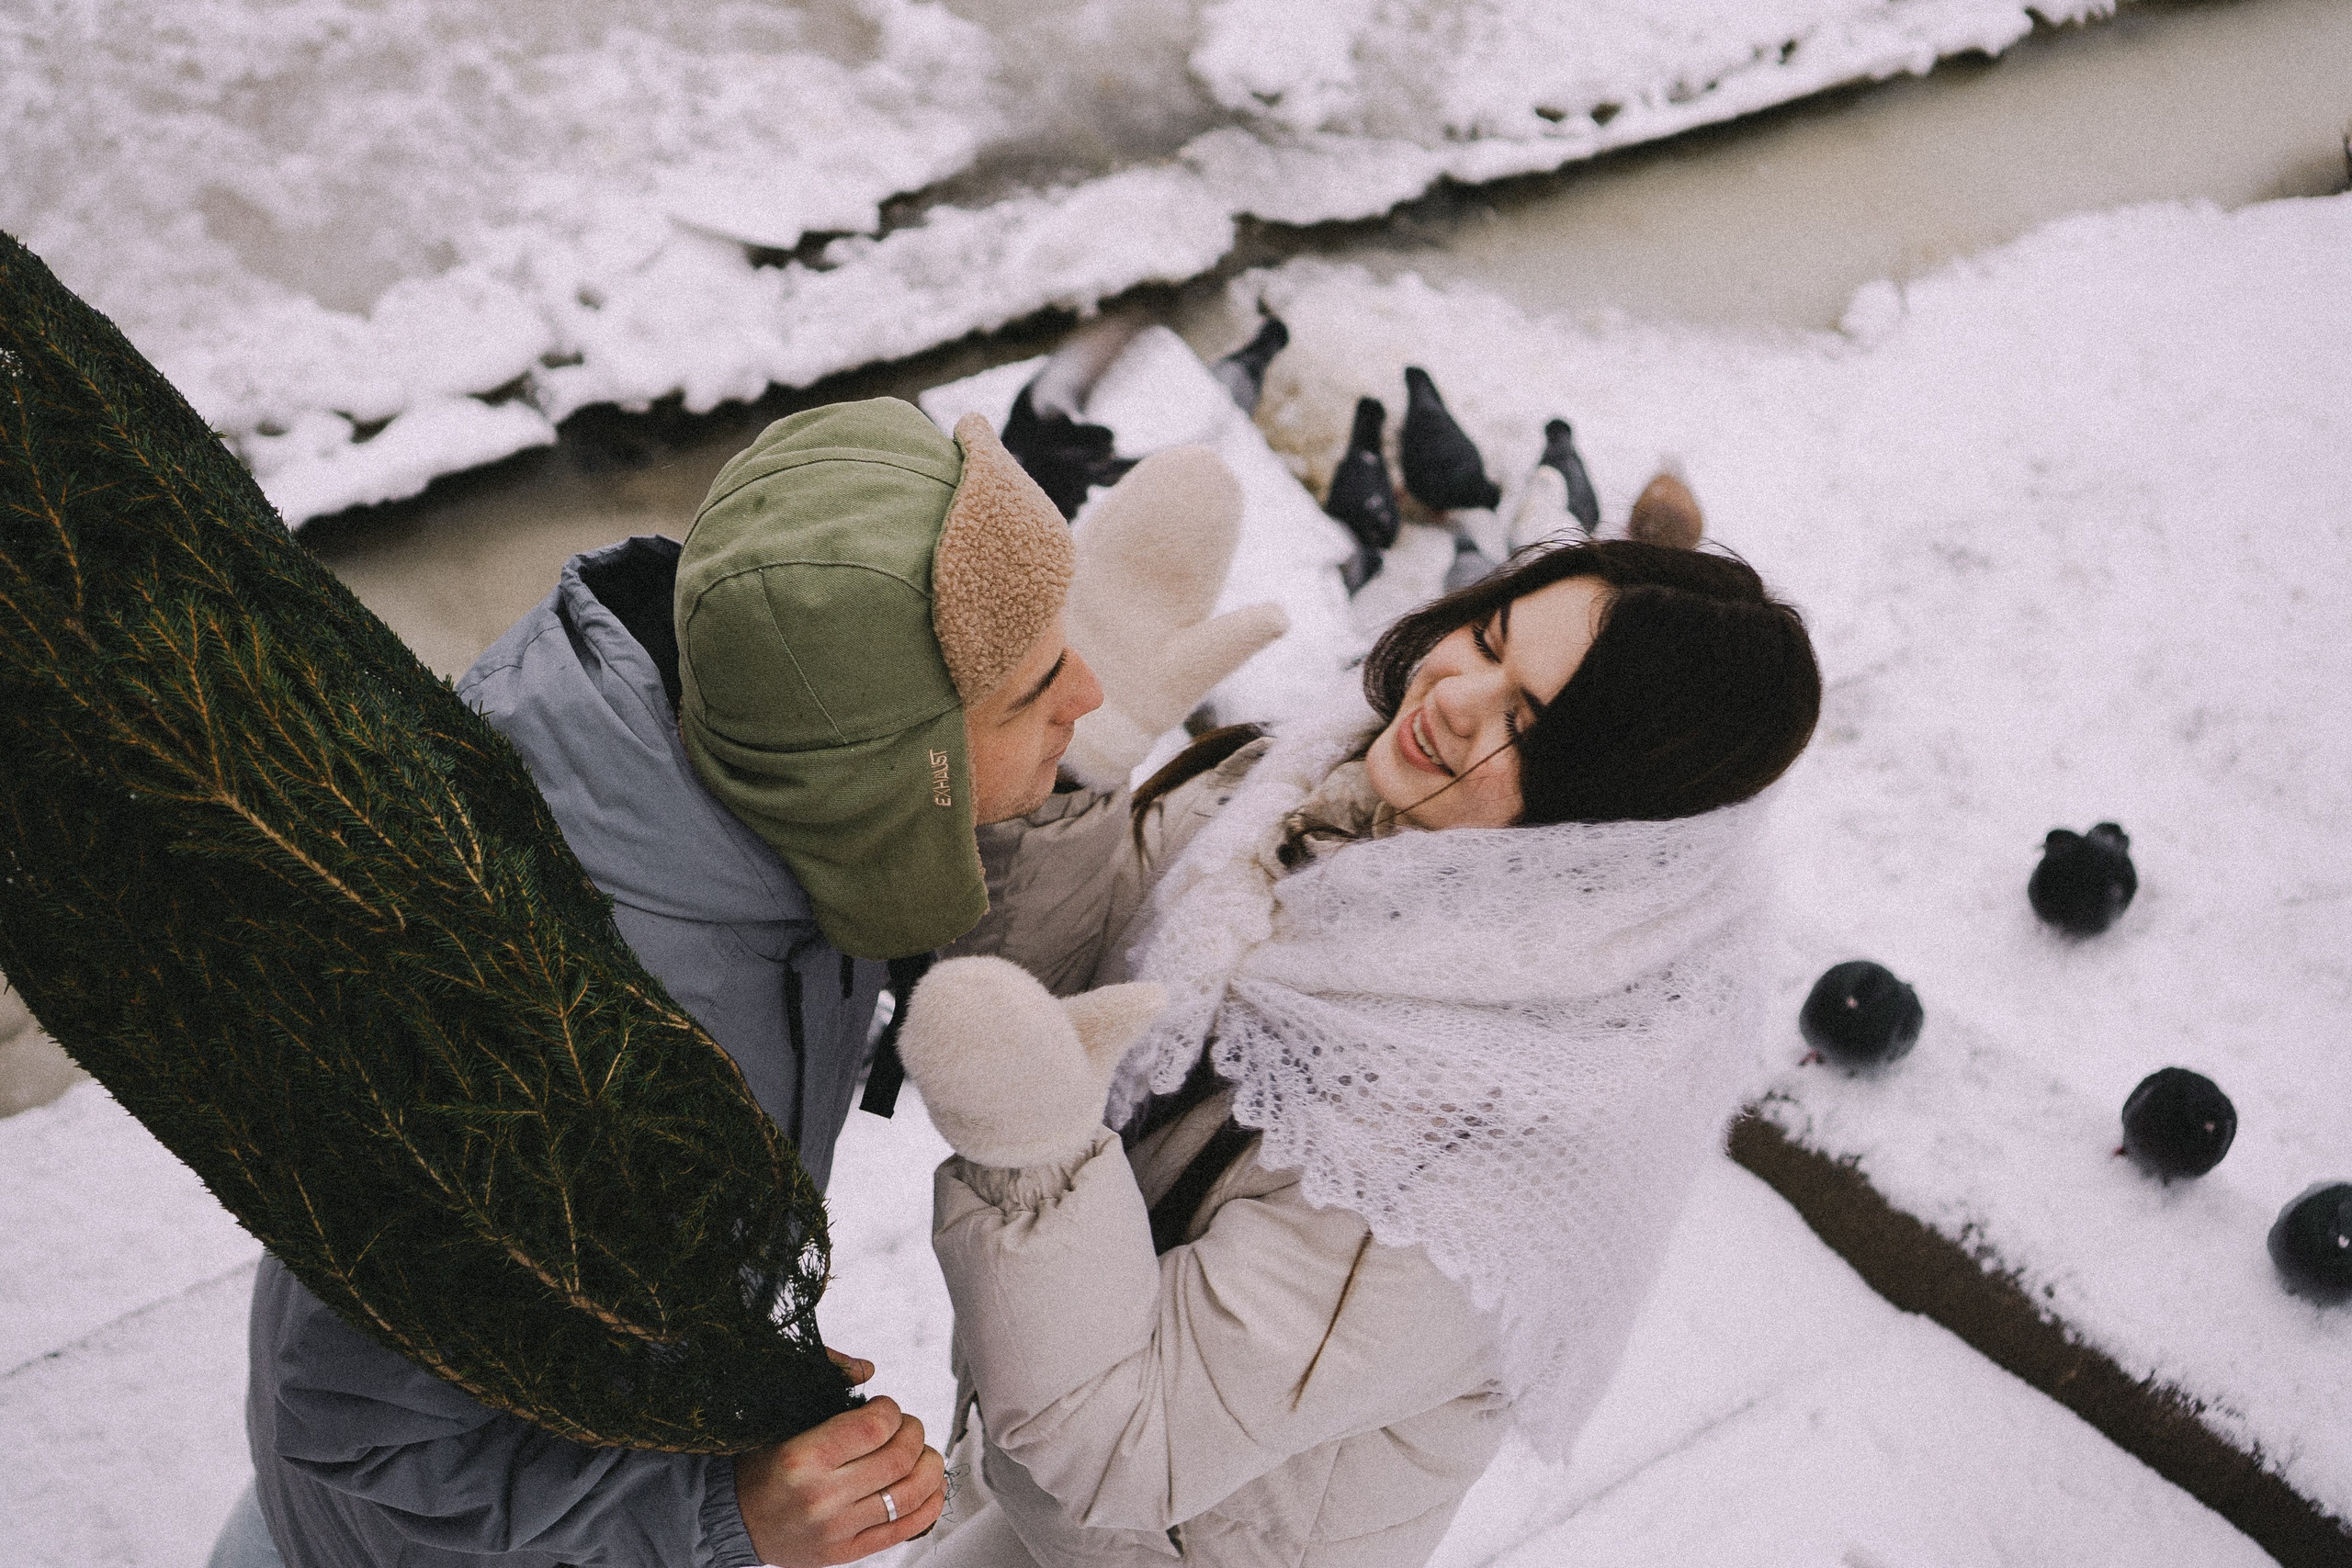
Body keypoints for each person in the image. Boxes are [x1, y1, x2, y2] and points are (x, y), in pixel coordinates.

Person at [221, 399, 1283, 1568]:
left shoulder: (752, 771)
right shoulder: (530, 1023)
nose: (1081, 691)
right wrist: (722, 1516)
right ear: (892, 775)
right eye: (1036, 689)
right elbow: (359, 1442)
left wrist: (682, 1358)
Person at [889, 538, 1824, 1568]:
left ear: (1607, 818)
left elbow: (1121, 1442)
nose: (1456, 695)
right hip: (1029, 1450)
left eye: (1525, 722)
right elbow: (1022, 1012)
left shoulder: (1478, 1146)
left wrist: (1040, 1151)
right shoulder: (1303, 796)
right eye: (1488, 638)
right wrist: (1065, 770)